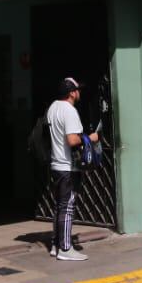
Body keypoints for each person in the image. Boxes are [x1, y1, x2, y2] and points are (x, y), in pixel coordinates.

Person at [47, 77, 98, 262]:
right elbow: (72, 140)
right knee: (68, 207)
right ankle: (66, 249)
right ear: (71, 92)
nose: (79, 92)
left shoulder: (53, 107)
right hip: (67, 166)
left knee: (59, 206)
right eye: (78, 89)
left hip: (56, 164)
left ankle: (56, 245)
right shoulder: (69, 110)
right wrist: (90, 138)